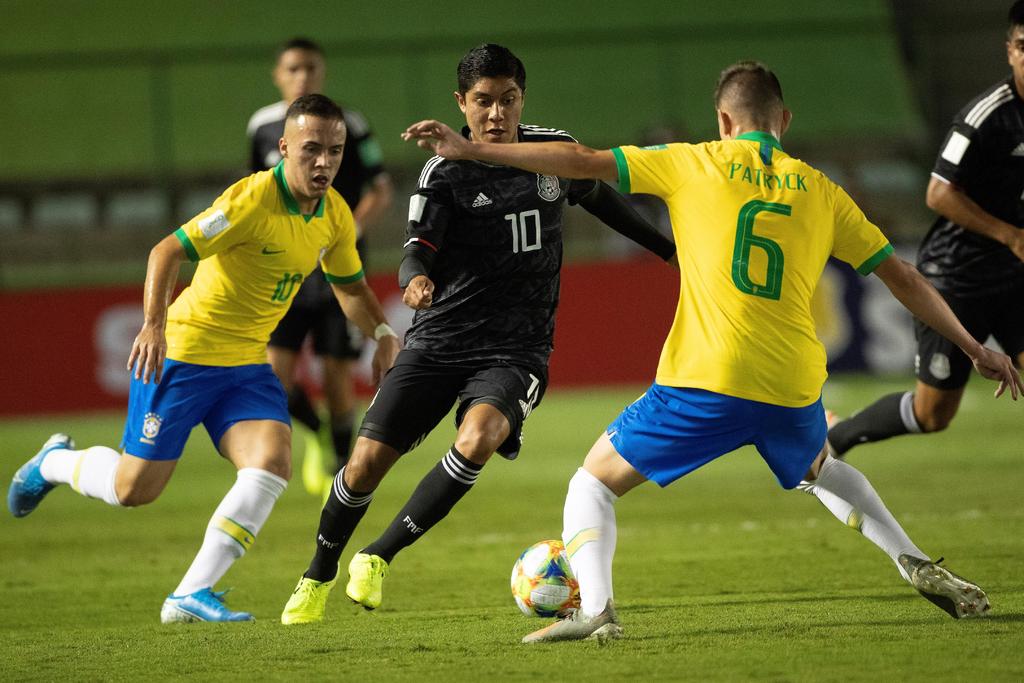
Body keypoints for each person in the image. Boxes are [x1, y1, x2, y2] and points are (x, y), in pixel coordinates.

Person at [401, 60, 1023, 643]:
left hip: (706, 377)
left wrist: (473, 148)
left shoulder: (692, 163)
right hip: (791, 383)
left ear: (723, 122)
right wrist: (974, 346)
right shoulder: (823, 192)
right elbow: (907, 278)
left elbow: (582, 161)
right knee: (822, 468)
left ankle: (597, 612)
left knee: (590, 486)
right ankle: (913, 559)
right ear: (783, 121)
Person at [280, 43, 677, 625]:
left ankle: (379, 556)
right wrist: (414, 282)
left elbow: (603, 200)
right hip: (440, 340)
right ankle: (317, 573)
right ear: (461, 103)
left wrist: (670, 251)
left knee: (481, 435)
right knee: (363, 464)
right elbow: (417, 251)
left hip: (517, 348)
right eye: (484, 102)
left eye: (508, 100)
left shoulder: (552, 153)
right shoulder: (446, 170)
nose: (497, 114)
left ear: (522, 99)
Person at [7, 94, 400, 623]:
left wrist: (380, 331)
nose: (324, 162)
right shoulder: (250, 201)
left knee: (272, 460)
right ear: (283, 148)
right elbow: (166, 251)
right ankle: (53, 462)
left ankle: (190, 594)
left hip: (245, 365)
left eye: (334, 151)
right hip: (187, 355)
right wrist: (154, 324)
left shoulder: (332, 214)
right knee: (133, 489)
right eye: (311, 150)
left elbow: (349, 286)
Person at [827, 2, 1024, 458]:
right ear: (1008, 51)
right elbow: (937, 194)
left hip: (1014, 276)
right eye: (1022, 47)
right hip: (958, 276)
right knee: (933, 414)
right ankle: (839, 435)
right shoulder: (985, 116)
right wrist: (1011, 235)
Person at [248, 37, 395, 495]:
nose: (302, 76)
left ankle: (341, 463)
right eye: (292, 69)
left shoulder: (348, 125)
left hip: (336, 267)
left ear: (322, 72)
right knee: (273, 376)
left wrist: (344, 231)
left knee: (336, 374)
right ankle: (313, 432)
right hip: (284, 268)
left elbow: (381, 188)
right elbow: (255, 190)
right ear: (277, 74)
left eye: (310, 68)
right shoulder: (261, 127)